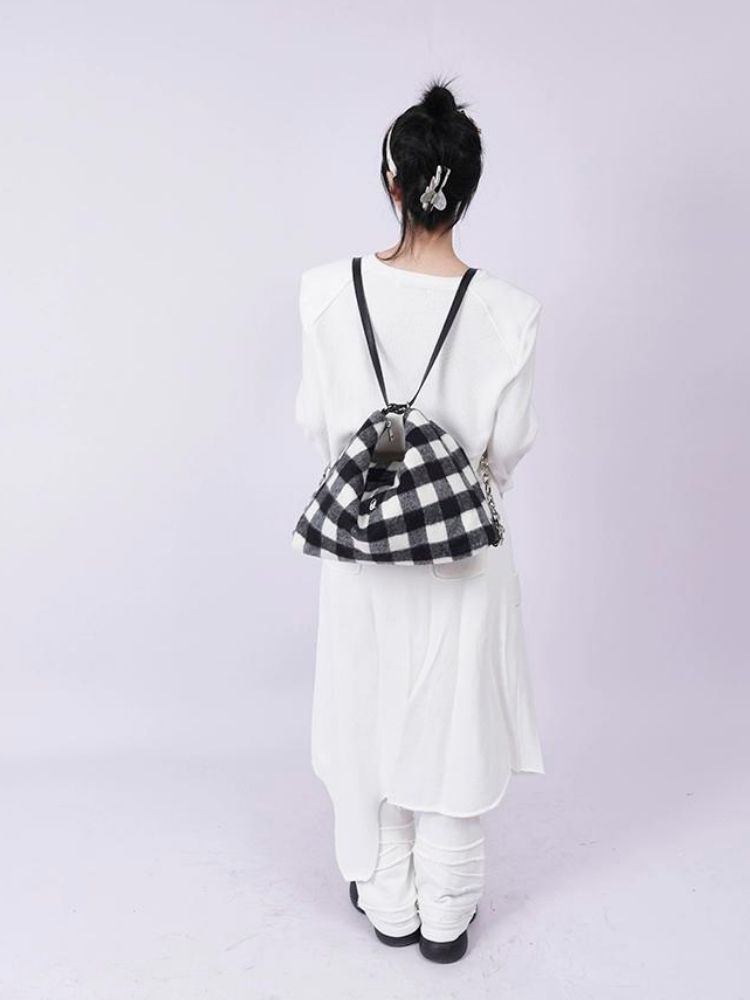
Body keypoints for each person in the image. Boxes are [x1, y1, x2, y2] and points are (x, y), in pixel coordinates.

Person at [292, 76, 545, 964]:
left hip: (361, 547)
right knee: (451, 719)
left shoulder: (324, 292)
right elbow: (508, 447)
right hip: (462, 551)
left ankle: (387, 898)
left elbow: (316, 423)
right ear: (465, 189)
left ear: (392, 182)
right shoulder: (511, 311)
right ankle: (446, 914)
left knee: (367, 709)